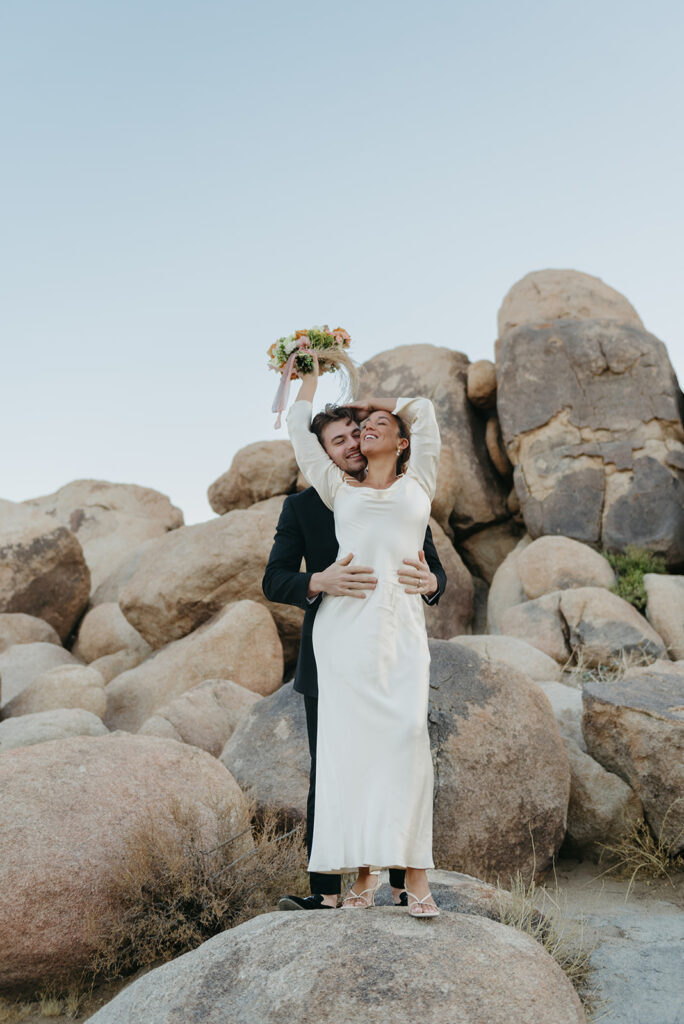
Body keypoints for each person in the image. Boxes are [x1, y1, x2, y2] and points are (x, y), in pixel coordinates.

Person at [262, 394, 446, 912]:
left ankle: (402, 878)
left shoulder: (415, 488)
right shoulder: (325, 495)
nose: (354, 441)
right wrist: (318, 580)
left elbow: (429, 563)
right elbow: (273, 579)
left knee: (405, 743)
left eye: (361, 430)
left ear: (395, 440)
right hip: (340, 638)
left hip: (401, 631)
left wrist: (433, 581)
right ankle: (336, 888)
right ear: (326, 451)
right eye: (340, 438)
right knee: (340, 761)